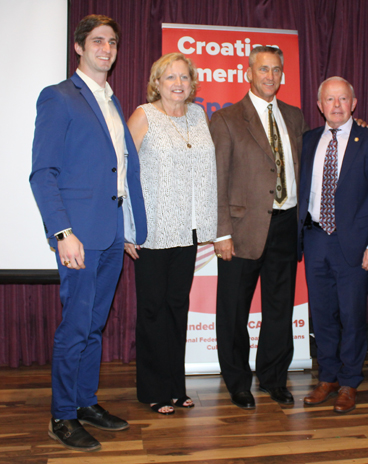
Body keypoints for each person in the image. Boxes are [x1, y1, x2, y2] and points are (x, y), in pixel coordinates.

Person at [30, 15, 147, 452]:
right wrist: (62, 232)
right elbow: (43, 173)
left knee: (95, 327)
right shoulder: (59, 98)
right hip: (78, 236)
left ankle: (84, 402)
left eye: (112, 42)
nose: (106, 48)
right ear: (78, 47)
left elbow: (120, 174)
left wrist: (131, 229)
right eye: (97, 41)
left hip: (113, 234)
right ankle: (61, 416)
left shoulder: (112, 102)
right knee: (75, 328)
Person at [210, 46, 309, 409]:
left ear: (283, 74)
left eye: (276, 70)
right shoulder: (226, 119)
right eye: (263, 69)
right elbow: (216, 180)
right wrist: (221, 232)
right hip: (240, 229)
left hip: (286, 224)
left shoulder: (295, 117)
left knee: (280, 308)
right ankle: (237, 382)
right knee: (234, 310)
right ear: (247, 73)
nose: (270, 76)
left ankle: (273, 378)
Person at [126, 53, 217, 415]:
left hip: (187, 231)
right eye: (170, 77)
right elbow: (122, 173)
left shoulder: (198, 116)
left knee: (178, 308)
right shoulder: (143, 115)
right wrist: (127, 228)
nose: (177, 83)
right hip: (152, 231)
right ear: (157, 83)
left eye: (184, 77)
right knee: (152, 309)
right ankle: (153, 389)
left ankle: (175, 386)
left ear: (192, 83)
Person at [298, 77, 368, 413]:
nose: (336, 105)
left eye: (342, 99)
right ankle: (328, 376)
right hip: (314, 239)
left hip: (354, 243)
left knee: (352, 315)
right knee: (322, 314)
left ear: (353, 104)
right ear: (319, 104)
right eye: (329, 99)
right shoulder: (308, 140)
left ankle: (350, 381)